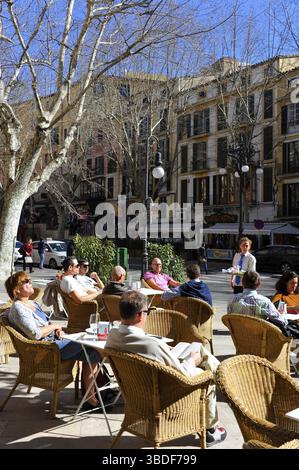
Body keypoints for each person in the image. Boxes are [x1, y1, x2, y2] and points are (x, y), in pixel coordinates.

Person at [106, 291, 227, 447]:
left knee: (202, 352)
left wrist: (164, 351)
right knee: (206, 371)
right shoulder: (151, 345)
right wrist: (192, 360)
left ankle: (221, 376)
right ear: (139, 316)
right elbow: (183, 375)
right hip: (165, 395)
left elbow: (145, 351)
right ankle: (211, 427)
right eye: (146, 312)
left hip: (138, 392)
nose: (147, 315)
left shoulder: (113, 336)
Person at [4, 271, 102, 411]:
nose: (30, 282)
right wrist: (56, 326)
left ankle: (89, 396)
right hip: (48, 350)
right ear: (16, 290)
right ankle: (91, 397)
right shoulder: (19, 308)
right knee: (90, 341)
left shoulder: (31, 303)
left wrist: (57, 330)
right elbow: (36, 334)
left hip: (55, 342)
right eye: (26, 281)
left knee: (93, 352)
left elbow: (45, 324)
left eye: (30, 280)